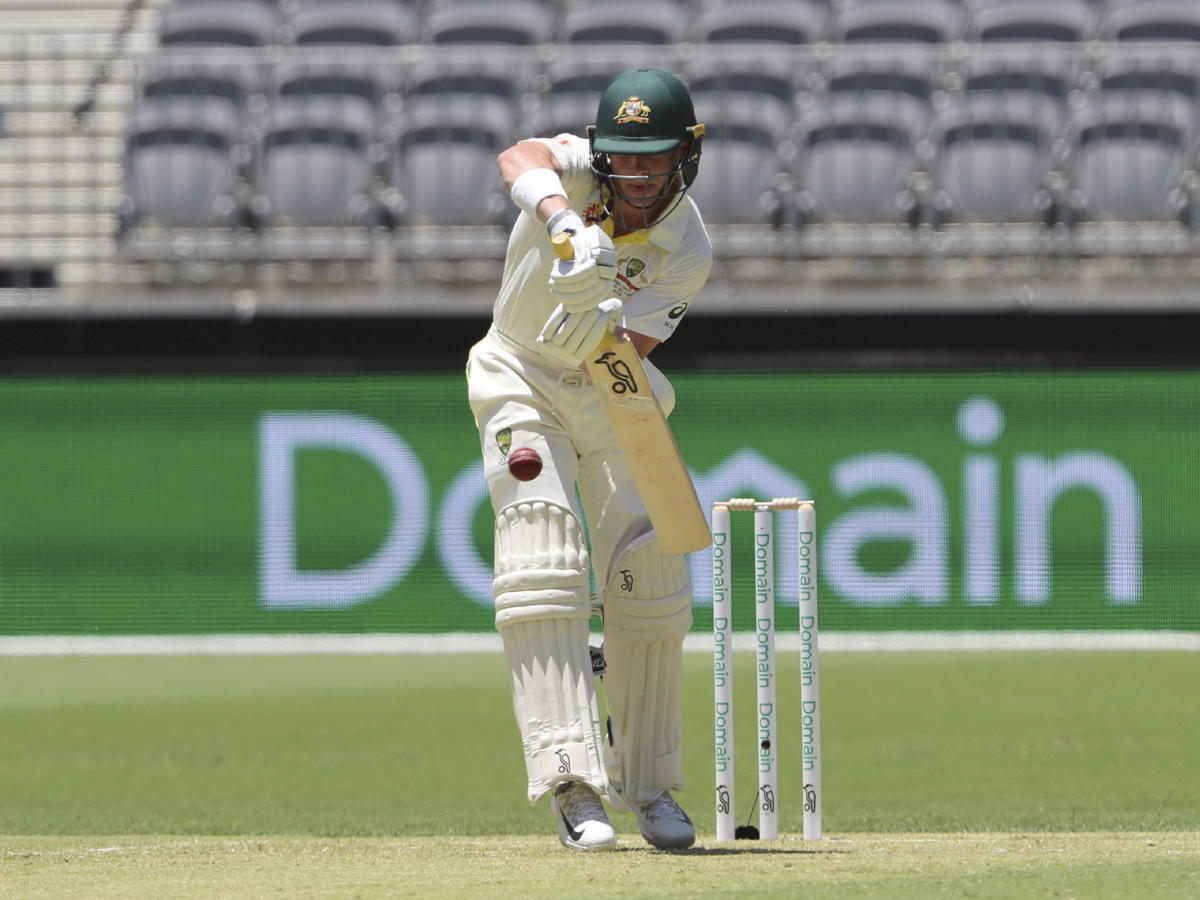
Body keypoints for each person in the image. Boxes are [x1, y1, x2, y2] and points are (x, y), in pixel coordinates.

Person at [465, 68, 711, 852]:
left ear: (687, 157)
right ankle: (573, 786)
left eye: (655, 159)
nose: (636, 175)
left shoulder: (688, 249)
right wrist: (564, 224)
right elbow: (516, 154)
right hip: (518, 373)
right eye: (624, 157)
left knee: (651, 574)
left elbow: (628, 353)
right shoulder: (579, 170)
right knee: (542, 549)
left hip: (609, 384)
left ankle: (653, 789)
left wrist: (597, 324)